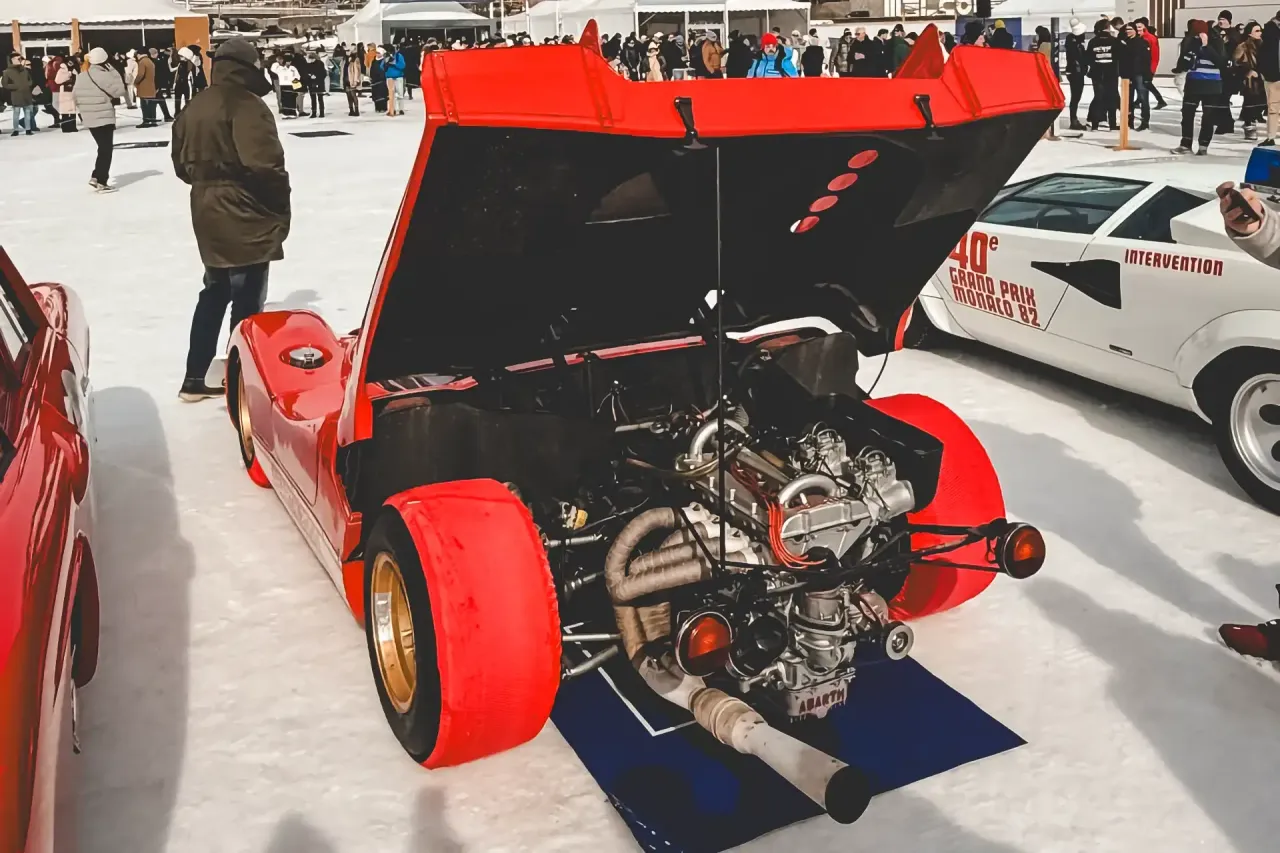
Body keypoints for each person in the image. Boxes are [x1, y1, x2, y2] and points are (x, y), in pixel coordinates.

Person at [172, 38, 290, 402]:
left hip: (206, 207)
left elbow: (181, 166)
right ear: (249, 66)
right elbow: (265, 165)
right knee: (248, 298)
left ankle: (195, 376)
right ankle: (242, 382)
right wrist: (279, 207)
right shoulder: (246, 104)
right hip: (245, 207)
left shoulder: (195, 104)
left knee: (215, 290)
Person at [73, 47, 126, 192]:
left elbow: (75, 97)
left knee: (102, 147)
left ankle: (97, 176)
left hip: (88, 117)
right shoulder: (106, 76)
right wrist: (114, 71)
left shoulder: (82, 76)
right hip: (104, 117)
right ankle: (101, 180)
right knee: (106, 149)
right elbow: (119, 91)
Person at [1172, 20, 1227, 154]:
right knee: (1187, 114)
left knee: (1208, 116)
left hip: (1212, 84)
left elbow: (1221, 62)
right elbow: (1183, 63)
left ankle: (1203, 146)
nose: (1197, 37)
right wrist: (1189, 54)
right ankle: (1186, 144)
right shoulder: (1189, 42)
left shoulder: (1217, 42)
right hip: (1193, 83)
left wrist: (1206, 46)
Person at [1234, 21, 1266, 140]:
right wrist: (1247, 71)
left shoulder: (1264, 45)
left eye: (1260, 30)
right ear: (1249, 33)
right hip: (1250, 80)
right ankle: (1249, 126)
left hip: (1263, 78)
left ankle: (1249, 122)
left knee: (1262, 103)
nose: (1260, 33)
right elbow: (1236, 63)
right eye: (1257, 31)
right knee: (1250, 103)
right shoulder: (1243, 46)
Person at [1086, 19, 1119, 130]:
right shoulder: (1115, 41)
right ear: (1108, 28)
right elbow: (1120, 56)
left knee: (1098, 97)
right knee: (1112, 97)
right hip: (1111, 73)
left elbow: (1088, 58)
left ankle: (1095, 124)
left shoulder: (1093, 42)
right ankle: (1112, 124)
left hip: (1097, 73)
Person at [1120, 23, 1151, 130]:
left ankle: (1145, 122)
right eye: (1126, 29)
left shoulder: (1142, 43)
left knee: (1143, 98)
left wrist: (1147, 75)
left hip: (1139, 74)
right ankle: (1129, 121)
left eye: (1130, 29)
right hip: (1127, 75)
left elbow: (1146, 60)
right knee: (1128, 99)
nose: (1128, 31)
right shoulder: (1124, 42)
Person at [1135, 18, 1167, 109]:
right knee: (1143, 84)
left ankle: (1160, 100)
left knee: (1146, 84)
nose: (1137, 29)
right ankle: (1138, 101)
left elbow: (1154, 54)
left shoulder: (1150, 38)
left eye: (1139, 27)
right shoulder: (1140, 37)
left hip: (1148, 67)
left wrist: (1152, 69)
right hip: (1142, 66)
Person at [2, 53, 36, 136]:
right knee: (16, 112)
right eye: (18, 59)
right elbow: (4, 84)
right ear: (12, 60)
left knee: (27, 111)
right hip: (16, 94)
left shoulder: (24, 70)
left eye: (20, 59)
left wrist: (28, 85)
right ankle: (16, 130)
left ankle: (28, 129)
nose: (19, 60)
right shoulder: (7, 71)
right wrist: (15, 86)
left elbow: (30, 80)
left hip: (26, 93)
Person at [1261, 10, 1280, 146]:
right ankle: (1271, 136)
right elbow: (1264, 53)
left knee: (1273, 108)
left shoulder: (1269, 30)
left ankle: (1271, 137)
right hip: (1273, 75)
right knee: (1273, 108)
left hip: (1271, 75)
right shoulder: (1270, 31)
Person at [54, 57, 77, 132]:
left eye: (72, 62)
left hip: (73, 91)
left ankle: (73, 127)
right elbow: (57, 81)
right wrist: (67, 76)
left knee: (72, 110)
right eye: (70, 62)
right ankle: (65, 127)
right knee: (65, 110)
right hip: (65, 91)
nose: (71, 64)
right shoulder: (62, 70)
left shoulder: (74, 69)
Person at [383, 44, 406, 116]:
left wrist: (394, 64)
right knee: (391, 95)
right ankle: (393, 109)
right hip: (389, 77)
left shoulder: (399, 56)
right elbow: (382, 67)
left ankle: (401, 109)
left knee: (400, 94)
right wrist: (386, 63)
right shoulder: (386, 56)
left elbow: (403, 66)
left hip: (398, 77)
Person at [303, 51, 326, 118]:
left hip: (319, 83)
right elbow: (306, 73)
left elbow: (323, 73)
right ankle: (314, 112)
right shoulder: (307, 65)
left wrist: (317, 77)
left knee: (320, 98)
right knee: (313, 99)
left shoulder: (320, 63)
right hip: (311, 83)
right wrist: (309, 76)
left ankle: (322, 112)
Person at [343, 49, 363, 116]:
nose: (347, 52)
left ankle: (356, 110)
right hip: (346, 79)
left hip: (352, 80)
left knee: (353, 95)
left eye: (348, 51)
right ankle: (351, 110)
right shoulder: (344, 60)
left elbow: (357, 71)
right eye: (346, 51)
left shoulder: (355, 60)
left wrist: (356, 80)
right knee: (348, 96)